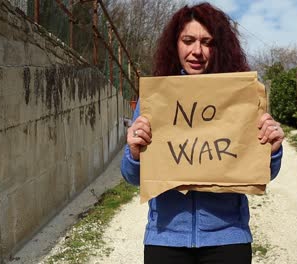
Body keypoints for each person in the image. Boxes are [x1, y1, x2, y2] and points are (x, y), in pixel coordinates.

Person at [120, 2, 284, 264]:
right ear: (175, 44)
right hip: (165, 239)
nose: (197, 51)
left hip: (228, 239)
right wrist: (134, 153)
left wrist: (273, 150)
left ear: (219, 48)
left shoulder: (240, 98)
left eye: (207, 42)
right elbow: (131, 177)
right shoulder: (155, 100)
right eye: (188, 40)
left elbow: (264, 173)